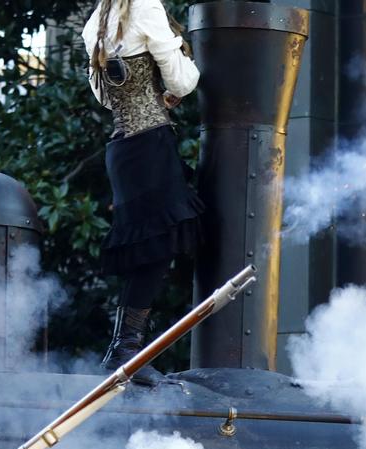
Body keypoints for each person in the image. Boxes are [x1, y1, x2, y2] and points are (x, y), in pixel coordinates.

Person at [82, 0, 203, 382]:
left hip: (123, 149)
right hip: (149, 145)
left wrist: (149, 96)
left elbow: (106, 96)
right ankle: (127, 350)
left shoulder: (96, 21)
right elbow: (183, 81)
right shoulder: (146, 8)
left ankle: (124, 348)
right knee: (155, 253)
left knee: (149, 254)